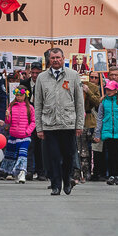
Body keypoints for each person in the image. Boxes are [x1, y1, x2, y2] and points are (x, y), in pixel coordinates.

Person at [33, 46, 85, 196]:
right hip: (49, 124)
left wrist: (79, 125)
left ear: (63, 59)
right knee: (53, 156)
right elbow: (38, 104)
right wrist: (39, 127)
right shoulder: (42, 78)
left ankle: (67, 180)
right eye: (53, 58)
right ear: (49, 60)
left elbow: (79, 103)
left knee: (68, 155)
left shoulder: (73, 76)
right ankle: (56, 184)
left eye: (58, 58)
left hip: (68, 123)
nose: (55, 60)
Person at [94, 79, 118, 185]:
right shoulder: (103, 102)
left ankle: (117, 174)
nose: (108, 91)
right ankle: (111, 174)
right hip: (107, 131)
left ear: (115, 90)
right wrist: (97, 133)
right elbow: (100, 118)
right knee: (110, 154)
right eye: (107, 89)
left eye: (110, 89)